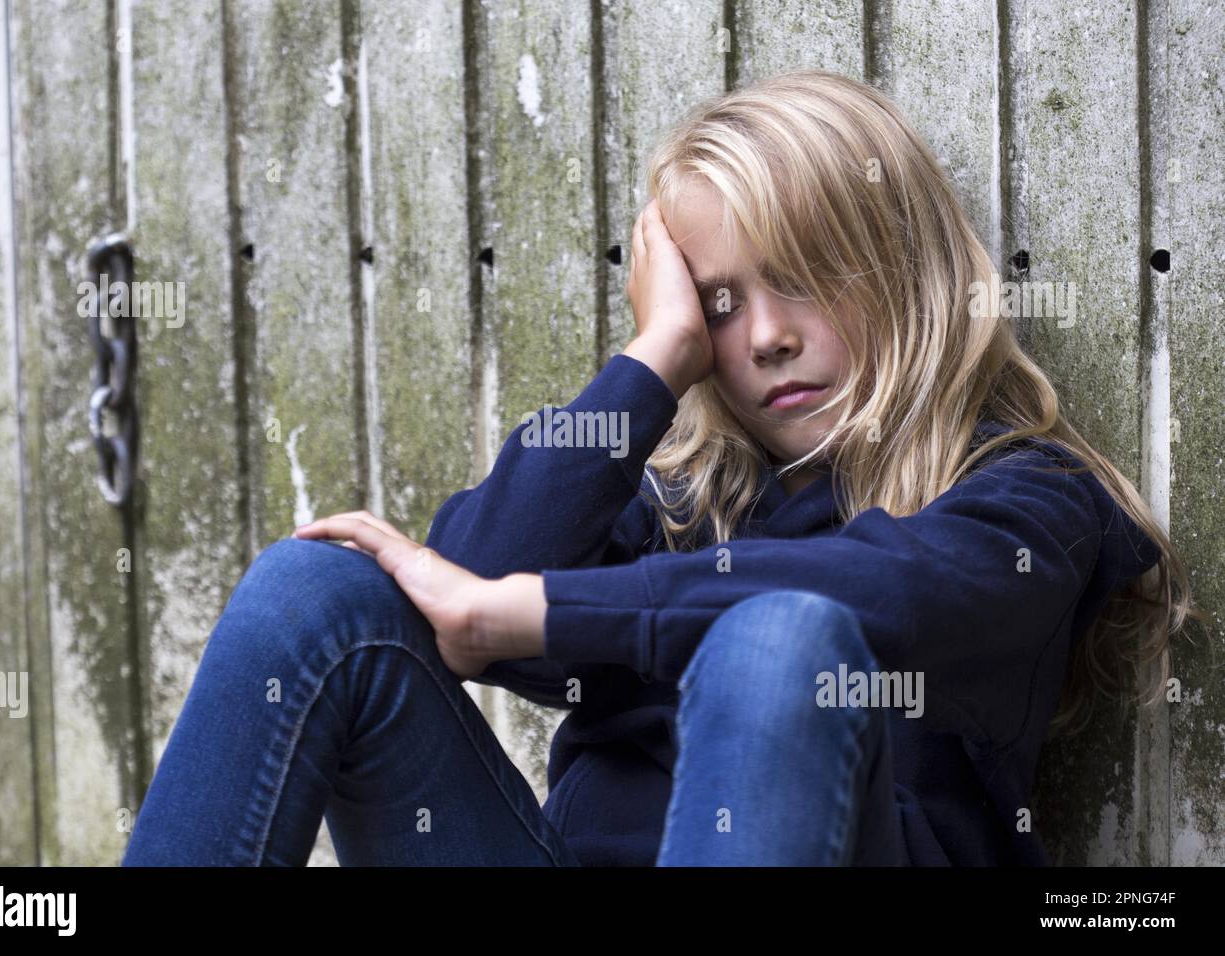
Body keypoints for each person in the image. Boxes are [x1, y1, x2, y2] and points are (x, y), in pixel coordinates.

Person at [121, 69, 1198, 867]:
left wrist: (540, 612)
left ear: (905, 267)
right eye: (720, 303)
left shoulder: (1024, 504)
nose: (764, 335)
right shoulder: (683, 508)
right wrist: (650, 363)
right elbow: (462, 589)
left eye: (807, 277)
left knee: (778, 639)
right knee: (322, 594)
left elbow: (885, 593)